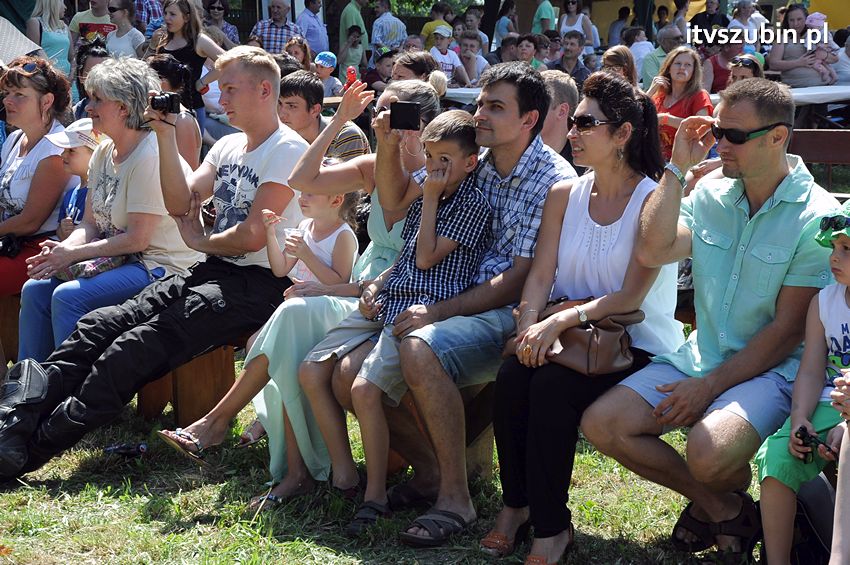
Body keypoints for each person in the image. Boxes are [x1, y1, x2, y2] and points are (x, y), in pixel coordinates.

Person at [0, 46, 309, 481]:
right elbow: (181, 200)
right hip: (215, 270)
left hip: (260, 282)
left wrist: (201, 237)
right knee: (100, 326)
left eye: (230, 89)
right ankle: (12, 423)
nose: (220, 99)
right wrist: (165, 137)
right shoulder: (229, 145)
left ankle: (29, 450)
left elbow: (253, 234)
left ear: (264, 90)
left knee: (133, 346)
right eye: (220, 89)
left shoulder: (286, 148)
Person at [582, 78, 840, 563]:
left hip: (776, 370)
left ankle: (729, 498)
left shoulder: (817, 215)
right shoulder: (712, 191)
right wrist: (676, 168)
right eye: (718, 130)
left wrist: (708, 387)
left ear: (778, 137)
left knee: (707, 452)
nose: (719, 143)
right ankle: (723, 507)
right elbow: (653, 248)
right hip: (702, 355)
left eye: (733, 136)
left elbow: (786, 332)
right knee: (604, 424)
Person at [149, 81, 418, 503]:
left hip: (386, 295)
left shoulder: (436, 176)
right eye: (378, 111)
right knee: (288, 330)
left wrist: (321, 281)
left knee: (289, 317)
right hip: (356, 295)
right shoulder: (369, 165)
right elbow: (301, 178)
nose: (386, 122)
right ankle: (303, 472)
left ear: (422, 122)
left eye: (397, 114)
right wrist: (341, 120)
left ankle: (226, 426)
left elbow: (412, 269)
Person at [365, 62, 577, 546]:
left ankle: (455, 499)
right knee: (349, 375)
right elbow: (398, 202)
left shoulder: (551, 178)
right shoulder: (472, 158)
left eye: (495, 107)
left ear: (529, 120)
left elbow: (521, 277)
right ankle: (431, 472)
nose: (480, 113)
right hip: (442, 295)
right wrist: (386, 142)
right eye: (480, 102)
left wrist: (438, 313)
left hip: (515, 312)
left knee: (419, 347)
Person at [485, 71, 683, 564]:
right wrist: (530, 322)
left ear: (623, 134)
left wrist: (554, 324)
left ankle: (552, 530)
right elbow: (540, 273)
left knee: (552, 390)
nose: (571, 132)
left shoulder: (650, 200)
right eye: (572, 122)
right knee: (512, 377)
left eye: (585, 123)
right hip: (568, 337)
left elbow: (630, 295)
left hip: (634, 342)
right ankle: (516, 506)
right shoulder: (565, 193)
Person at [304, 110, 491, 536]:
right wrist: (374, 285)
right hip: (393, 297)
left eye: (445, 158)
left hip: (423, 308)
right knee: (320, 366)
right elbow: (407, 260)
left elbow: (426, 258)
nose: (434, 167)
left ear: (470, 162)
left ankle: (374, 496)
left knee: (365, 388)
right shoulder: (430, 189)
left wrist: (427, 198)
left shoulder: (469, 203)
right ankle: (397, 478)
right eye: (429, 156)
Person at [19, 58, 201, 362]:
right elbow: (90, 224)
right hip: (122, 259)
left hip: (161, 267)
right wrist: (62, 250)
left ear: (124, 108)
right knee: (35, 288)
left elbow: (138, 240)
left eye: (97, 99)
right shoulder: (103, 150)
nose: (88, 107)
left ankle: (71, 396)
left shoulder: (150, 154)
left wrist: (72, 255)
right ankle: (29, 389)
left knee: (69, 297)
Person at [755, 205, 850, 564]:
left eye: (847, 250)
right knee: (778, 458)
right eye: (834, 247)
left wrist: (846, 425)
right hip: (829, 401)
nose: (835, 258)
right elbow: (811, 370)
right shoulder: (823, 303)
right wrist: (800, 418)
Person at [0, 56, 75, 298]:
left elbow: (30, 222)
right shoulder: (14, 140)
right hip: (10, 242)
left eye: (19, 94)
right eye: (7, 92)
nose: (7, 100)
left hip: (39, 250)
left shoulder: (56, 149)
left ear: (46, 101)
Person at [150, 0, 225, 136]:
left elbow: (228, 61)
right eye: (165, 13)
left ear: (186, 17)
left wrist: (202, 82)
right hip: (162, 109)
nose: (167, 18)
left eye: (172, 14)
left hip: (191, 109)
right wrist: (152, 46)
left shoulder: (199, 40)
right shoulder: (164, 39)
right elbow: (149, 69)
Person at [277, 70, 370, 161]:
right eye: (280, 104)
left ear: (315, 110)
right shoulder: (283, 135)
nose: (281, 114)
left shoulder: (346, 135)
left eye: (292, 106)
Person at [647, 46, 713, 162]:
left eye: (688, 65)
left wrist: (665, 119)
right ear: (669, 67)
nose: (682, 68)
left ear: (694, 71)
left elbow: (702, 126)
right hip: (655, 159)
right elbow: (637, 120)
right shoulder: (659, 95)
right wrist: (650, 92)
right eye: (677, 63)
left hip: (683, 161)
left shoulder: (699, 95)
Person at [147, 54, 203, 169]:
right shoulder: (161, 114)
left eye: (147, 79)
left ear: (162, 82)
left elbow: (189, 170)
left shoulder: (183, 120)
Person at [52, 120, 100, 242]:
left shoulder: (101, 194)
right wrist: (62, 231)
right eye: (64, 149)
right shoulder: (70, 194)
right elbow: (60, 233)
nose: (63, 155)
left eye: (71, 150)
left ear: (95, 154)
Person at [768, 4, 834, 89]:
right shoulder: (782, 38)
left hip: (823, 87)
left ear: (807, 19)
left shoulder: (818, 34)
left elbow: (835, 58)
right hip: (795, 89)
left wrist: (824, 55)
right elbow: (773, 65)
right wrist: (799, 62)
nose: (796, 24)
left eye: (799, 19)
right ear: (787, 21)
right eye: (791, 20)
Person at [26, 0, 73, 76]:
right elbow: (33, 54)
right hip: (46, 77)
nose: (65, 7)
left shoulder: (64, 27)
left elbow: (71, 57)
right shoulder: (35, 23)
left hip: (68, 79)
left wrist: (72, 75)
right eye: (62, 2)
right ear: (53, 4)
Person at [71, 38, 110, 120]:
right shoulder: (76, 113)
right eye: (91, 74)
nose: (97, 79)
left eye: (104, 73)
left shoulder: (120, 111)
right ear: (81, 76)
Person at [370, 0, 406, 67]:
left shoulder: (378, 22)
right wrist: (398, 50)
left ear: (386, 8)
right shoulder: (401, 24)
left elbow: (376, 41)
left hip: (379, 62)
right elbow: (404, 41)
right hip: (395, 62)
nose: (375, 10)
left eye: (377, 7)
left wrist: (388, 50)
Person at [339, 0, 369, 69]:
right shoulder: (351, 10)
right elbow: (353, 38)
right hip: (351, 62)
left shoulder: (354, 9)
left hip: (356, 60)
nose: (367, 1)